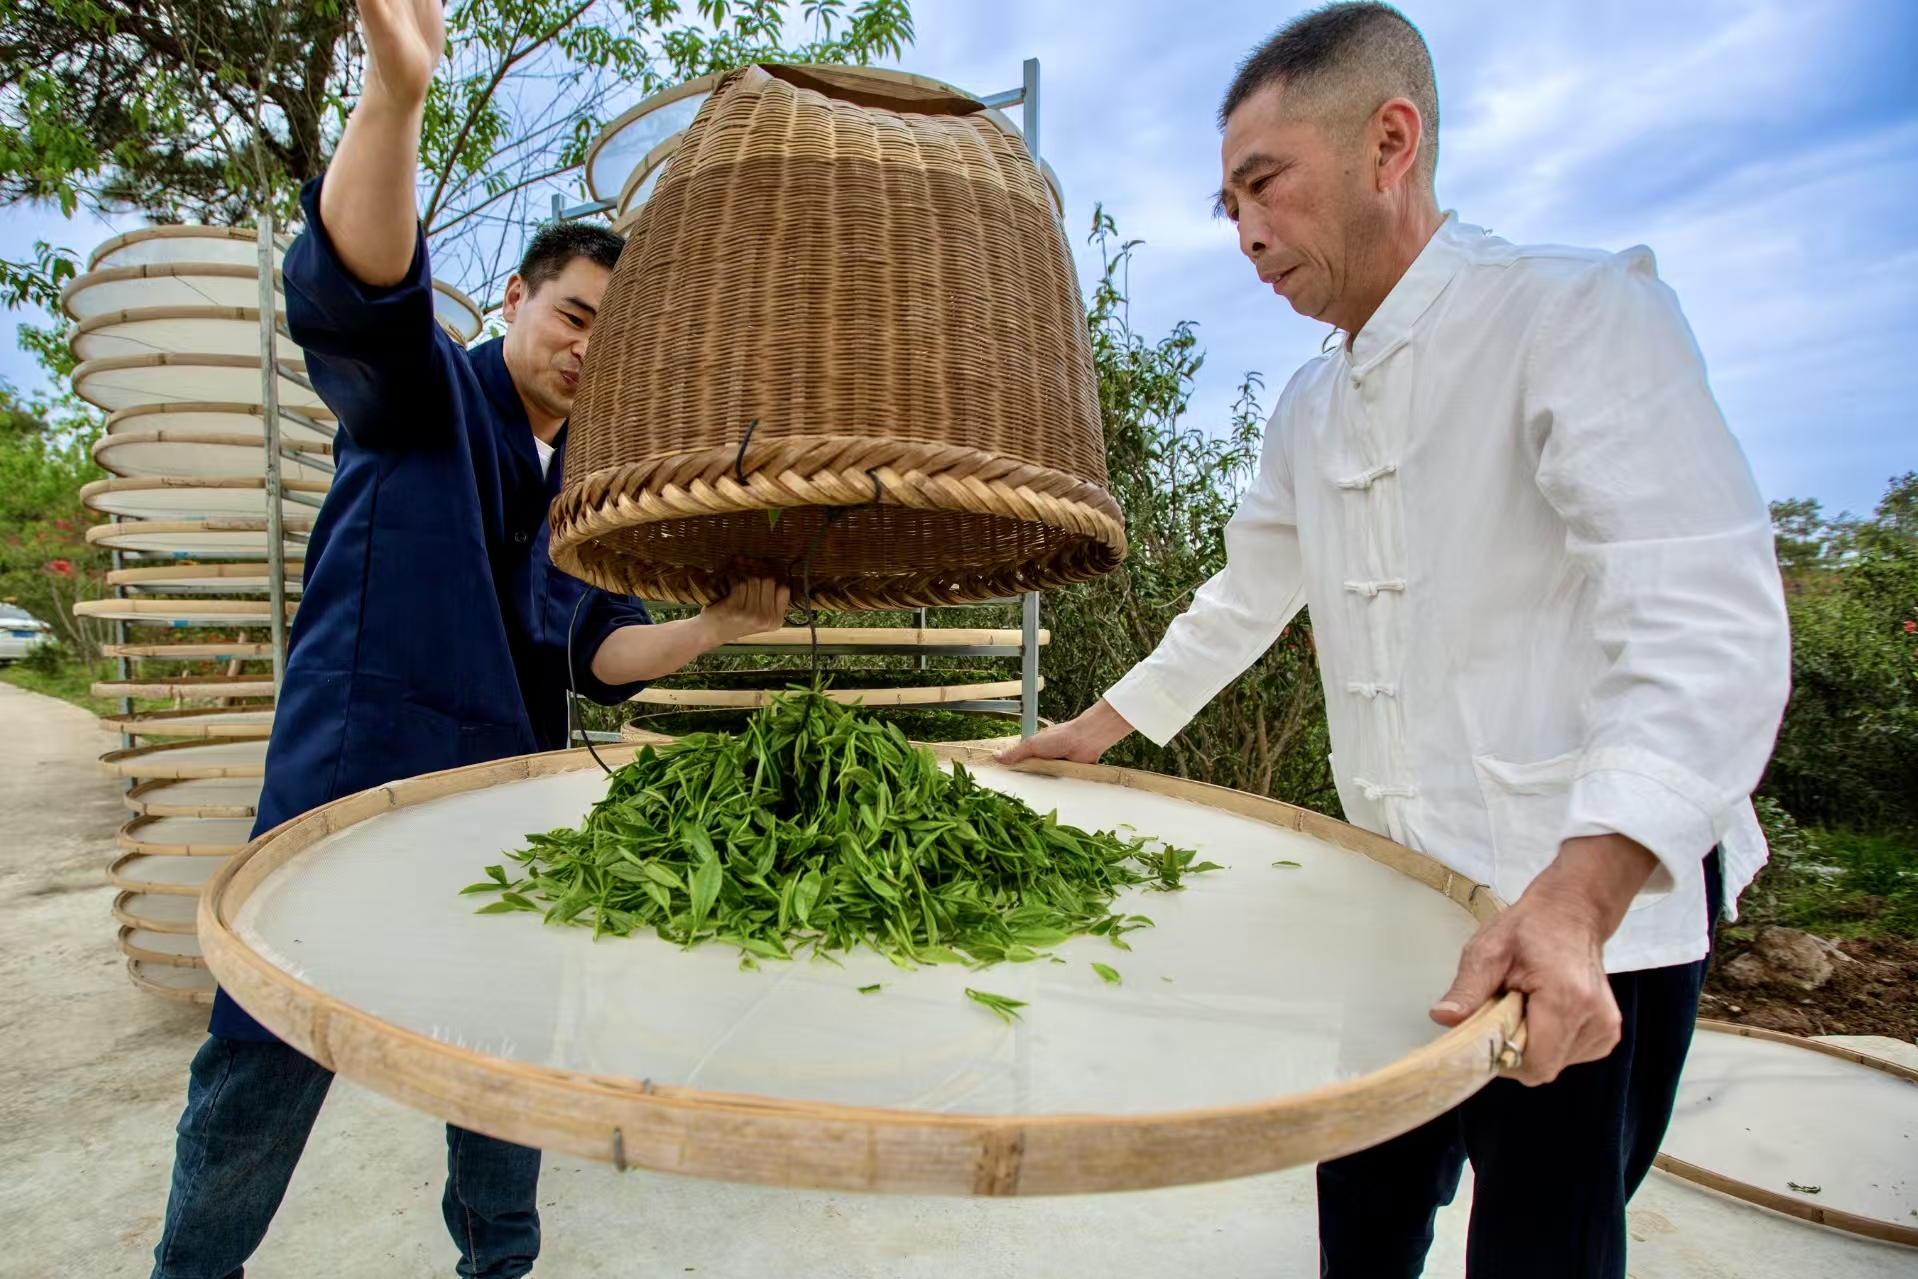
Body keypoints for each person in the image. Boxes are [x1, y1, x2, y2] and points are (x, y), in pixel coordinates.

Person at [1000, 4, 1790, 1275]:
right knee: (1361, 1227)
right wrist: (1093, 733)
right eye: (1228, 207)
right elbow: (1244, 593)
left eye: (1266, 185)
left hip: (1582, 924)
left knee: (1543, 1248)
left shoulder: (1573, 314)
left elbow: (1701, 616)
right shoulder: (1314, 406)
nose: (1247, 231)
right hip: (1396, 906)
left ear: (1390, 141)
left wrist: (1578, 899)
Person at [148, 2, 789, 1276]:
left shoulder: (579, 498)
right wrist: (396, 94)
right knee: (264, 1063)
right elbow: (363, 290)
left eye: (615, 337)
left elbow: (596, 651)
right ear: (516, 298)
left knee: (508, 1064)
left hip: (497, 821)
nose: (584, 351)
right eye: (575, 315)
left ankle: (498, 1268)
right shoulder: (426, 398)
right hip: (347, 800)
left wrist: (715, 627)